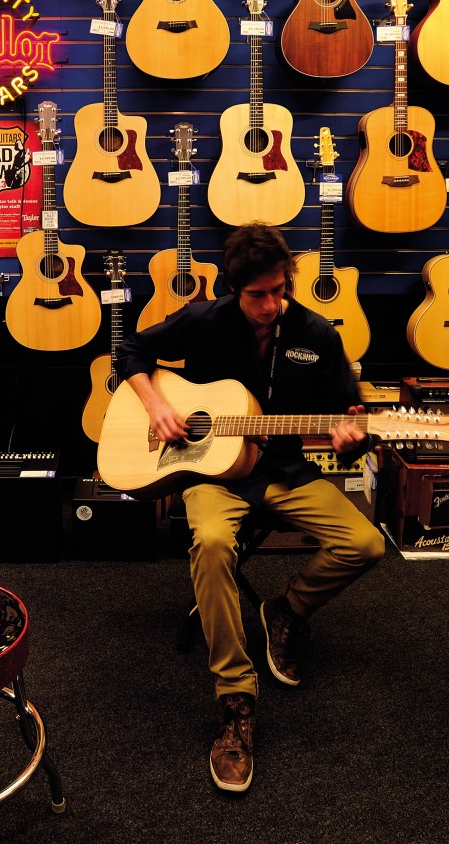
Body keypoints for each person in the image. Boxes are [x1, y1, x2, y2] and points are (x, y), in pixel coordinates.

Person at [114, 221, 385, 793]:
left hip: (283, 472)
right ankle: (235, 702)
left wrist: (354, 431)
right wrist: (158, 404)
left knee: (365, 543)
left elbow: (349, 408)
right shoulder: (205, 319)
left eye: (279, 290)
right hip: (211, 474)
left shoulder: (317, 333)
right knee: (211, 544)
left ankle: (285, 611)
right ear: (236, 288)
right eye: (258, 294)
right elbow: (129, 350)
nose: (271, 304)